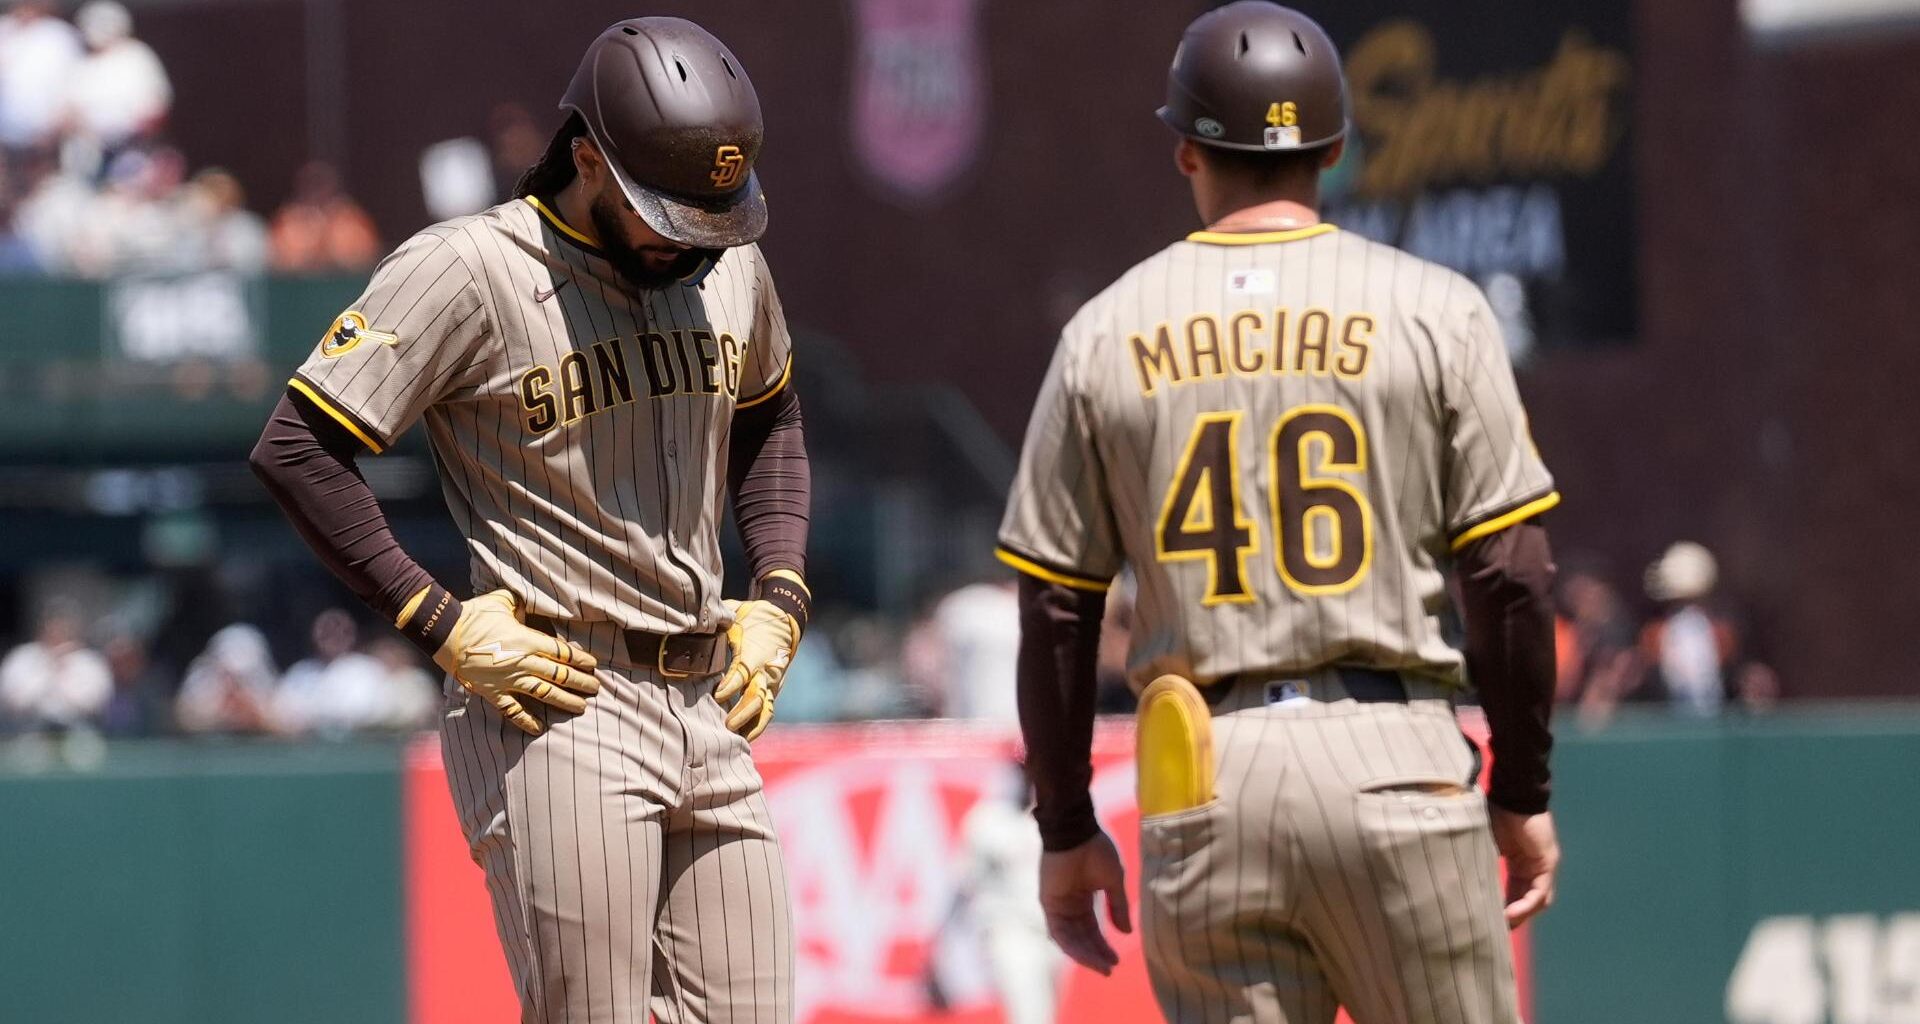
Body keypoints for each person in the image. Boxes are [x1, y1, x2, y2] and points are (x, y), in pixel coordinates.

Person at [995, 5, 1562, 1022]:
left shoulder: (1103, 333)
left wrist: (1066, 826)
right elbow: (1513, 576)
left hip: (1209, 779)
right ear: (1335, 149)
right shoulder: (1439, 309)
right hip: (1399, 761)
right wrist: (1521, 790)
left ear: (1185, 152)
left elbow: (1054, 609)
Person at [250, 18, 811, 1022]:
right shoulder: (469, 267)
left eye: (711, 212)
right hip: (557, 698)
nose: (692, 237)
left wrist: (778, 593)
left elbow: (774, 419)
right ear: (589, 158)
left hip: (708, 702)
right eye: (669, 211)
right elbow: (297, 446)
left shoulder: (728, 261)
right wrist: (440, 622)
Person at [62, 0, 171, 154]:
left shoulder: (137, 56)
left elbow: (157, 106)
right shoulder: (83, 65)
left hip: (133, 147)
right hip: (90, 148)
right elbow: (68, 111)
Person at [272, 608, 401, 737]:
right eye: (326, 632)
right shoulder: (301, 672)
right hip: (307, 748)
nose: (333, 637)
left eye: (340, 631)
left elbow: (367, 713)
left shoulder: (367, 670)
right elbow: (281, 713)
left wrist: (312, 716)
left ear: (351, 634)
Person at [0, 602, 112, 732]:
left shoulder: (89, 661)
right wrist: (48, 668)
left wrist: (62, 673)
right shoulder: (21, 657)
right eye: (52, 625)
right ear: (41, 627)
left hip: (78, 728)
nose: (57, 631)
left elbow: (96, 703)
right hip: (27, 728)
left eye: (62, 626)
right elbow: (12, 701)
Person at [0, 0, 82, 154]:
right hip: (4, 136)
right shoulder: (3, 29)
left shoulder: (60, 35)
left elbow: (74, 83)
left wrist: (59, 123)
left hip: (45, 135)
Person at [267, 161, 380, 272]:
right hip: (297, 287)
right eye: (310, 186)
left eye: (321, 186)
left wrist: (329, 241)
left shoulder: (352, 219)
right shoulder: (287, 220)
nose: (317, 194)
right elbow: (276, 261)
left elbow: (367, 258)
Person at [173, 623, 277, 734]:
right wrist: (214, 712)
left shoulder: (264, 681)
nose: (233, 685)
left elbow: (279, 725)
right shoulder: (200, 679)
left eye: (240, 680)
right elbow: (181, 720)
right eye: (227, 676)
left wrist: (251, 714)